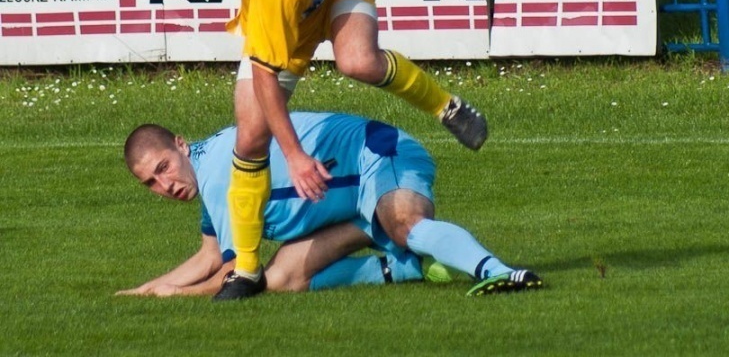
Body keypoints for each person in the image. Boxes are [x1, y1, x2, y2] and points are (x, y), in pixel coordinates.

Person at [221, 0, 488, 300]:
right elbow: (265, 78)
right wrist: (297, 157)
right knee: (251, 135)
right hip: (293, 17)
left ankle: (447, 107)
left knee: (359, 61)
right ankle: (245, 270)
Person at [119, 112, 542, 299]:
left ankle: (500, 272)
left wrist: (178, 296)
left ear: (180, 145)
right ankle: (406, 267)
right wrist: (146, 289)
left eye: (163, 168)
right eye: (151, 183)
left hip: (378, 155)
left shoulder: (217, 175)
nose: (164, 184)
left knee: (404, 224)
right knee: (282, 279)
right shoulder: (207, 170)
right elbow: (210, 256)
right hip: (349, 202)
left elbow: (235, 273)